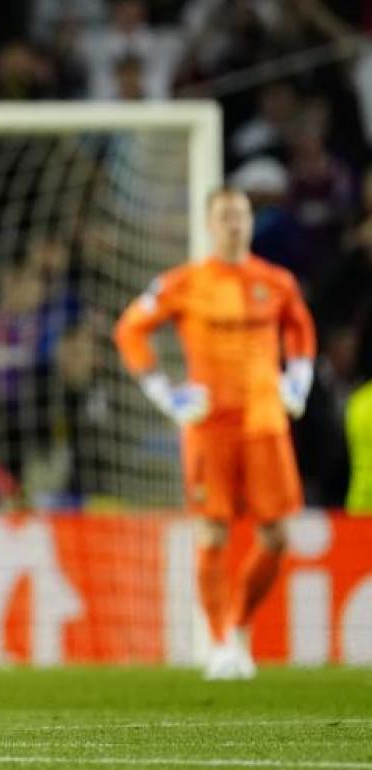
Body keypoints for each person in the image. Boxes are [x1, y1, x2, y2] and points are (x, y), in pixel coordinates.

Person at [114, 187, 316, 680]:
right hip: (209, 427)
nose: (234, 224)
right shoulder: (184, 282)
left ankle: (239, 624)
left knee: (277, 536)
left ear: (250, 222)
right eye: (225, 216)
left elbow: (300, 330)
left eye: (241, 215)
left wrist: (298, 379)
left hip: (265, 423)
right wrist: (164, 393)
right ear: (208, 224)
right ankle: (220, 642)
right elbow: (130, 329)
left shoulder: (276, 282)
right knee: (212, 532)